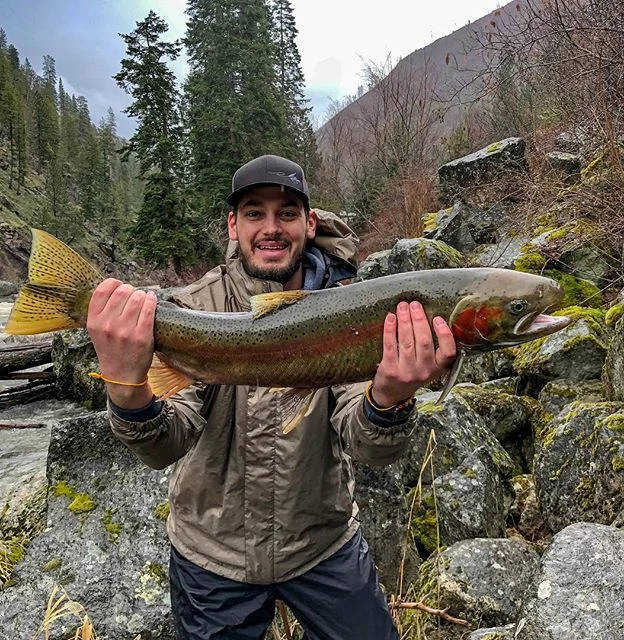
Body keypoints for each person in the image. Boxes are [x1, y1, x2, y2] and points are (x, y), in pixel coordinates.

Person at [86, 154, 456, 640]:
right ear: (233, 224)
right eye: (255, 212)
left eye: (286, 213)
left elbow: (371, 449)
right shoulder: (194, 308)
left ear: (310, 222)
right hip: (213, 556)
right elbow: (163, 447)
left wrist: (389, 398)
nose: (271, 228)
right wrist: (126, 389)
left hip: (321, 545)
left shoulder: (352, 308)